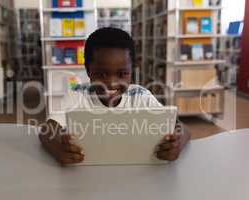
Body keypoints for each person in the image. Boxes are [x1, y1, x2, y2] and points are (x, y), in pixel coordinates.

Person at [39, 27, 190, 166]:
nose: (111, 84)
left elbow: (182, 128)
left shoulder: (140, 96)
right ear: (88, 70)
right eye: (102, 74)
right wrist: (58, 149)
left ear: (132, 70)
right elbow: (47, 130)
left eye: (122, 74)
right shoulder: (77, 94)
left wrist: (177, 144)